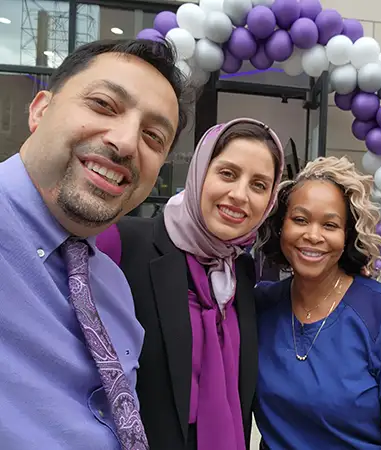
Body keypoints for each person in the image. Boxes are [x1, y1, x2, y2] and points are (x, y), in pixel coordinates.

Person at [0, 39, 188, 449]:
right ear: (40, 109)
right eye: (104, 104)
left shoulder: (114, 290)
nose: (125, 142)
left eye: (153, 137)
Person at [96, 118, 284, 450]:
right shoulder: (121, 245)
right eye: (227, 173)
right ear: (200, 173)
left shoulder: (239, 270)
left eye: (258, 185)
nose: (239, 195)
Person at [254, 156, 381, 450]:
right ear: (280, 227)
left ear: (347, 236)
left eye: (330, 225)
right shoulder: (261, 306)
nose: (313, 236)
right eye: (300, 220)